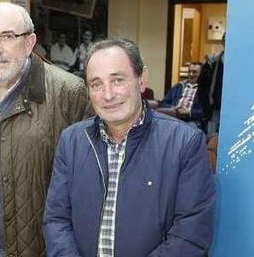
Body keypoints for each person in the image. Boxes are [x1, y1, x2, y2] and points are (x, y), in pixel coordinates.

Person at [44, 38, 215, 256]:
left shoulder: (185, 143)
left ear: (141, 79)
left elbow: (190, 234)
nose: (107, 94)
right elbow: (56, 220)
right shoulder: (72, 141)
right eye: (96, 84)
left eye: (117, 80)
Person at [0, 2, 90, 257]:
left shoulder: (70, 93)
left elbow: (86, 188)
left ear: (29, 42)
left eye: (8, 37)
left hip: (38, 251)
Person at [154, 62, 204, 128]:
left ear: (201, 74)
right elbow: (164, 102)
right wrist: (174, 108)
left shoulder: (204, 90)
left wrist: (189, 112)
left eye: (194, 72)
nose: (191, 74)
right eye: (189, 72)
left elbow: (204, 112)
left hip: (192, 120)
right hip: (174, 115)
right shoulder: (179, 86)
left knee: (189, 129)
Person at [198, 33, 225, 135]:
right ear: (223, 43)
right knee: (211, 140)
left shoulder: (241, 63)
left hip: (233, 108)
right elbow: (202, 86)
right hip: (214, 109)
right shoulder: (212, 62)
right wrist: (206, 106)